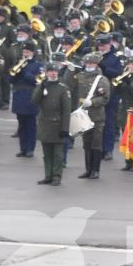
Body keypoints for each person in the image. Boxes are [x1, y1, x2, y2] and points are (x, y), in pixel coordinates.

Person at [33, 58, 74, 186]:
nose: (53, 73)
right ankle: (48, 175)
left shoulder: (62, 88)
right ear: (46, 73)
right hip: (45, 123)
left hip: (58, 124)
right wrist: (41, 87)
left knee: (57, 154)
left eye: (55, 71)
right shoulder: (42, 85)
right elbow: (34, 101)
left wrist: (65, 129)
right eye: (50, 71)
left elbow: (67, 111)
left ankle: (57, 176)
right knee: (47, 153)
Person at [72, 55, 110, 179]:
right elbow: (70, 85)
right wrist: (69, 70)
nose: (88, 66)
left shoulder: (101, 79)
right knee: (86, 143)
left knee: (96, 144)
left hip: (96, 115)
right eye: (87, 63)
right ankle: (88, 169)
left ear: (96, 64)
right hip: (83, 113)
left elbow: (105, 98)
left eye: (91, 64)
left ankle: (95, 170)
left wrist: (92, 102)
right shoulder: (81, 76)